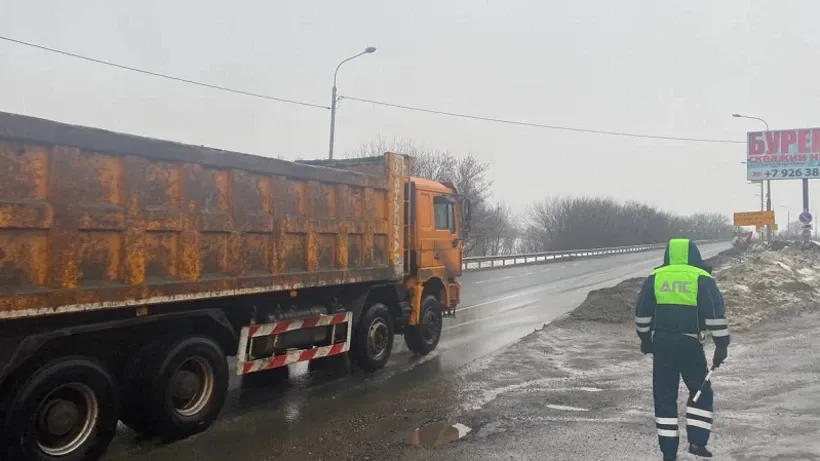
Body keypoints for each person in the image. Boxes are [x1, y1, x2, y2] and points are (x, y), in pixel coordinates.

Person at [634, 238, 730, 460]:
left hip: (663, 345)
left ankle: (669, 453)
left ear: (667, 255)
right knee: (700, 392)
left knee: (664, 397)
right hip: (690, 345)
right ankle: (697, 442)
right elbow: (715, 316)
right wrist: (721, 345)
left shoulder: (655, 277)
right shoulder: (702, 278)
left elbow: (642, 315)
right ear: (694, 255)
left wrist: (646, 340)